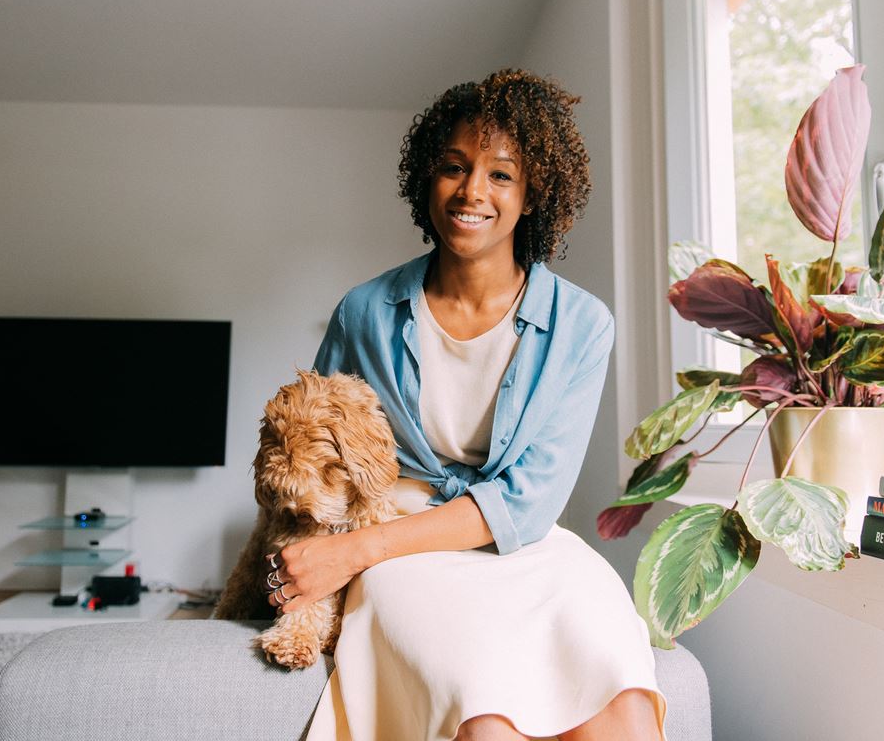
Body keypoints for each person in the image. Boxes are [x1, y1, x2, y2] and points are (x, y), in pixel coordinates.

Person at [265, 69, 666, 741]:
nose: (473, 191)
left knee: (620, 696)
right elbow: (311, 454)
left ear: (535, 192)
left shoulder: (582, 324)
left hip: (523, 546)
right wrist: (326, 554)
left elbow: (531, 500)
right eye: (455, 167)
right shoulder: (364, 311)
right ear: (429, 177)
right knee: (481, 714)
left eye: (501, 174)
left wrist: (358, 547)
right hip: (398, 558)